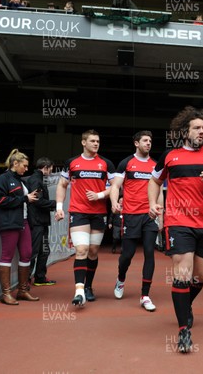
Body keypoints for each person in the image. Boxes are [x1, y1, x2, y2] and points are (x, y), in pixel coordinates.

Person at [148, 106, 203, 353]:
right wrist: (153, 203)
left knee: (202, 275)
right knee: (182, 272)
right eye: (196, 128)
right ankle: (183, 331)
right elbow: (154, 180)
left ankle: (185, 305)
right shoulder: (170, 156)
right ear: (185, 131)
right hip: (178, 222)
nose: (201, 131)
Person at [55, 130, 116, 307]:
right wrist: (59, 207)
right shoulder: (72, 162)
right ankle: (79, 291)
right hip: (78, 212)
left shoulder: (106, 163)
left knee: (93, 252)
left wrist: (99, 195)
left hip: (98, 213)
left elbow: (115, 187)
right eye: (92, 141)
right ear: (83, 142)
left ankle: (89, 286)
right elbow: (62, 184)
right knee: (81, 249)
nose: (96, 144)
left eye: (98, 141)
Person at [110, 131, 163, 312]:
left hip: (150, 215)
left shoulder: (156, 165)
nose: (149, 143)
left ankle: (145, 295)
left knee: (150, 252)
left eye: (150, 140)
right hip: (130, 215)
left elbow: (160, 192)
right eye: (145, 141)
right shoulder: (126, 163)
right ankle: (121, 278)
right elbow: (115, 186)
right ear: (136, 143)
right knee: (127, 255)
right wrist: (114, 202)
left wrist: (161, 216)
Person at [0, 149, 40, 305]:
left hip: (23, 221)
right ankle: (6, 293)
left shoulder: (20, 180)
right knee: (7, 255)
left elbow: (19, 199)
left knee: (27, 253)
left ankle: (22, 290)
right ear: (15, 163)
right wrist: (25, 198)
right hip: (9, 222)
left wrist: (28, 198)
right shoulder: (3, 179)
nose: (26, 169)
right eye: (24, 166)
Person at [26, 157, 57, 287]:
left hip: (41, 221)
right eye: (51, 169)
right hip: (37, 222)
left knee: (44, 250)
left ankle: (39, 277)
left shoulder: (37, 179)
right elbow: (37, 200)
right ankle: (26, 279)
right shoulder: (36, 180)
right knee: (34, 251)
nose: (51, 171)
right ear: (46, 167)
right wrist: (56, 204)